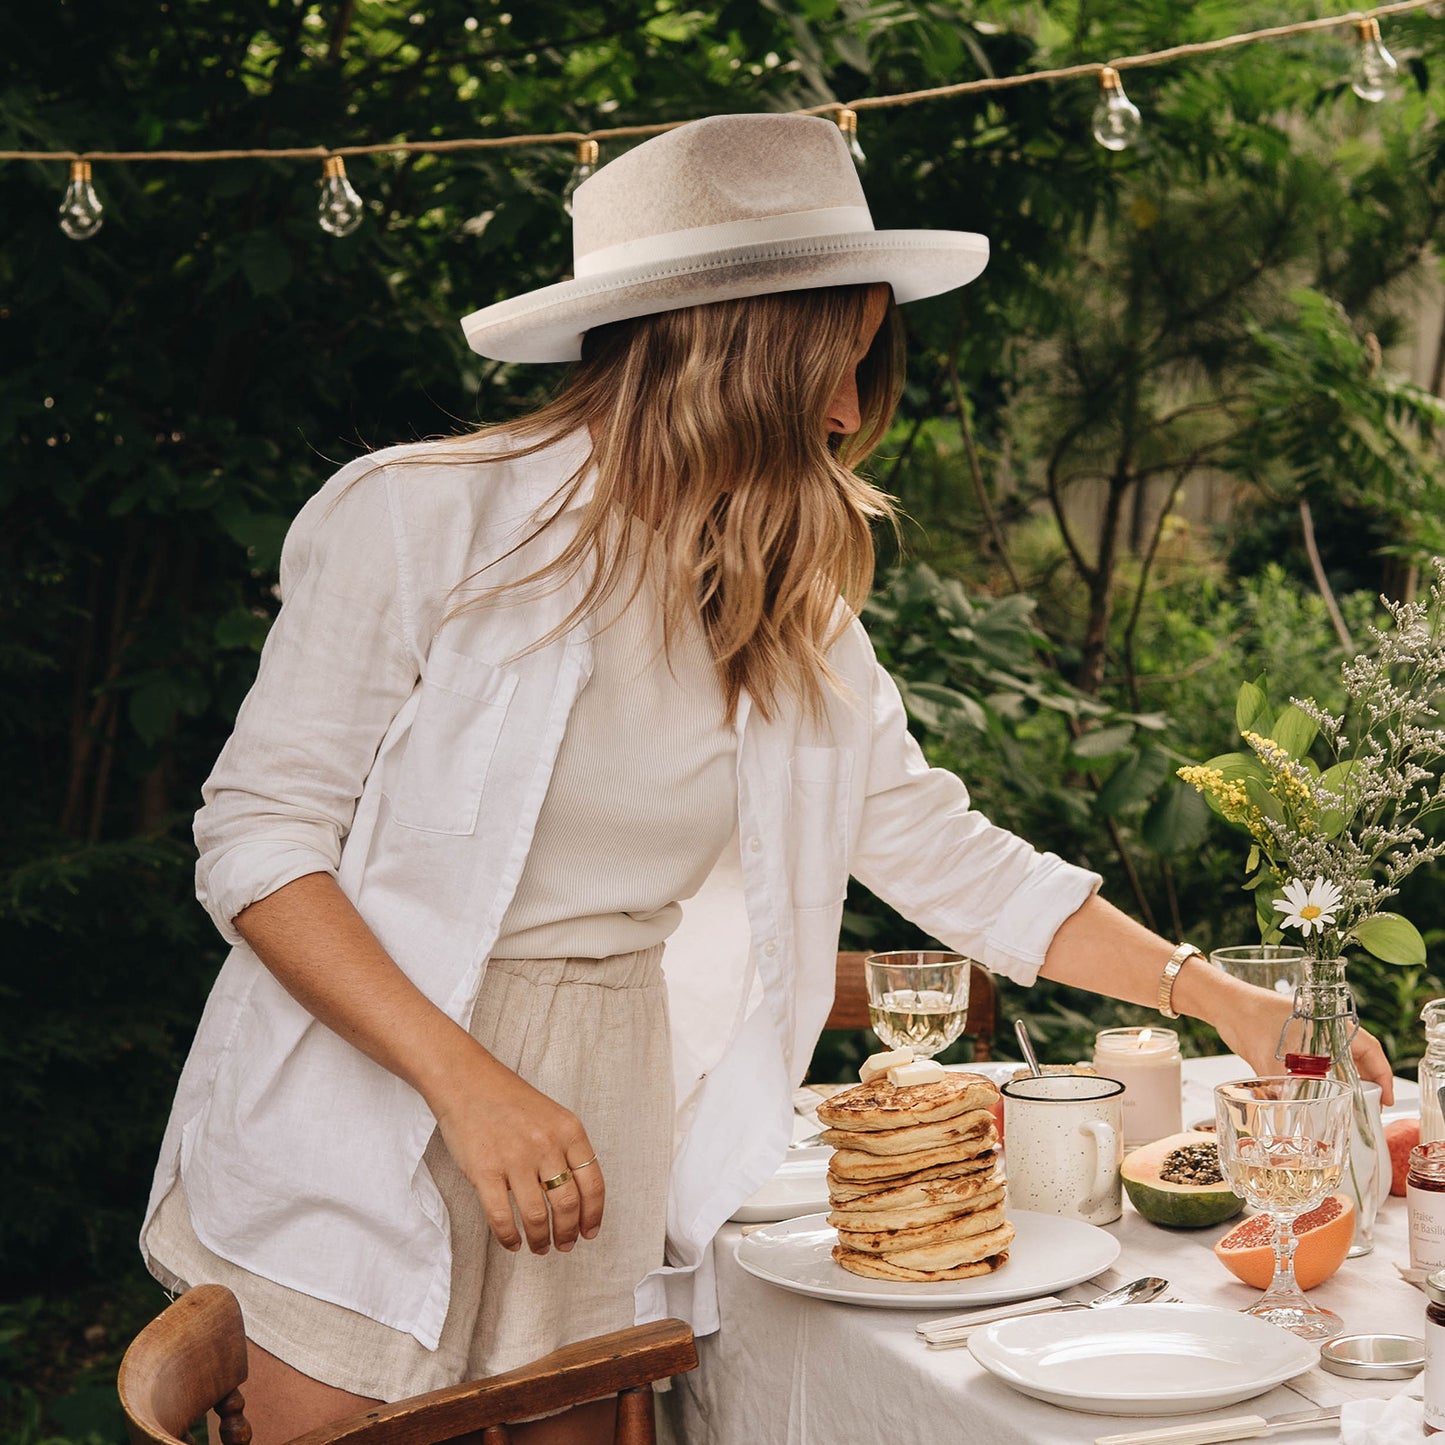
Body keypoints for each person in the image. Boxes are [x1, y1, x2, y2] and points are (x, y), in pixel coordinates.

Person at [141, 112, 1394, 1445]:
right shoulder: (418, 520)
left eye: (864, 363)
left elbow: (944, 851)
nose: (854, 412)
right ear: (710, 351)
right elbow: (258, 843)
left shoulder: (792, 607)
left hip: (608, 1081)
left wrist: (1219, 996)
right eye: (825, 365)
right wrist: (464, 1079)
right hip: (372, 1075)